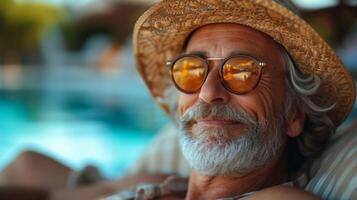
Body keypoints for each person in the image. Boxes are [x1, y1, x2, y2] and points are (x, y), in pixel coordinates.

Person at [0, 0, 356, 199]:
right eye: (191, 70)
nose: (208, 92)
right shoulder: (161, 182)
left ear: (295, 113)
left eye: (243, 71)